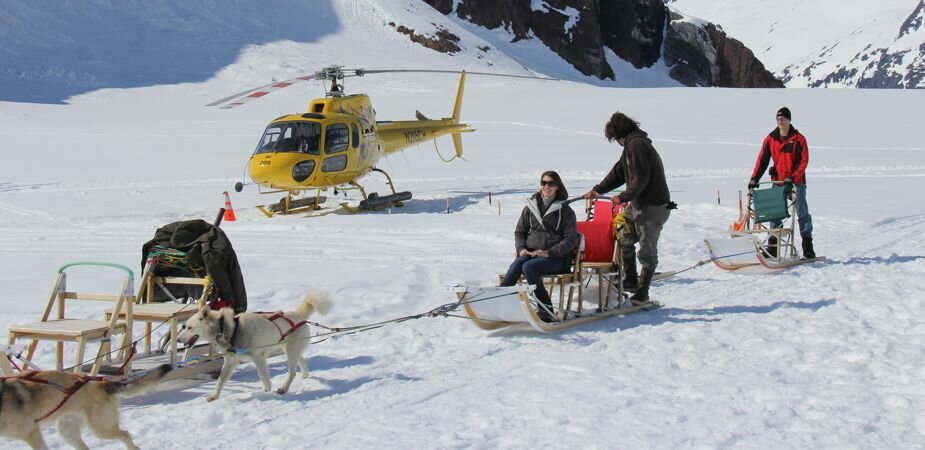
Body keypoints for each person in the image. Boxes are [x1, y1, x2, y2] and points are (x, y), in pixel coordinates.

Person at [584, 112, 672, 305]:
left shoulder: (637, 146)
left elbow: (640, 179)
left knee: (647, 249)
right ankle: (630, 279)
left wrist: (623, 197)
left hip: (653, 206)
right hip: (638, 204)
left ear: (618, 135)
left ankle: (643, 291)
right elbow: (618, 173)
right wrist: (598, 190)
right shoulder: (631, 146)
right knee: (624, 234)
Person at [501, 171, 578, 322]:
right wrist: (521, 248)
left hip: (556, 258)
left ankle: (546, 309)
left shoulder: (566, 210)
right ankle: (501, 300)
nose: (546, 186)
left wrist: (547, 252)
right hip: (531, 253)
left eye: (550, 183)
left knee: (529, 267)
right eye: (543, 183)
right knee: (519, 261)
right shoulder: (531, 206)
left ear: (557, 187)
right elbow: (520, 231)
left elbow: (570, 240)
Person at [747, 107, 815, 259]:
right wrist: (754, 178)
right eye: (778, 120)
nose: (780, 122)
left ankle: (808, 246)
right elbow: (762, 160)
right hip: (778, 182)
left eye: (783, 119)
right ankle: (773, 247)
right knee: (774, 213)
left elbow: (803, 161)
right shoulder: (771, 139)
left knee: (802, 212)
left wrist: (793, 176)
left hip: (796, 182)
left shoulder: (799, 139)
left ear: (789, 120)